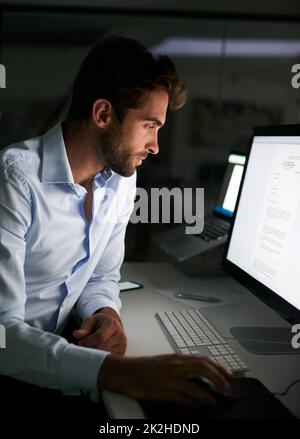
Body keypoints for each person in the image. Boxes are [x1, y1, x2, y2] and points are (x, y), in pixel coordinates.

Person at [0, 35, 230, 416]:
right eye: (149, 125)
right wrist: (121, 372)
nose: (156, 145)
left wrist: (106, 313)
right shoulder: (14, 180)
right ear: (104, 114)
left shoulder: (121, 179)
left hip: (63, 355)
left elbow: (101, 275)